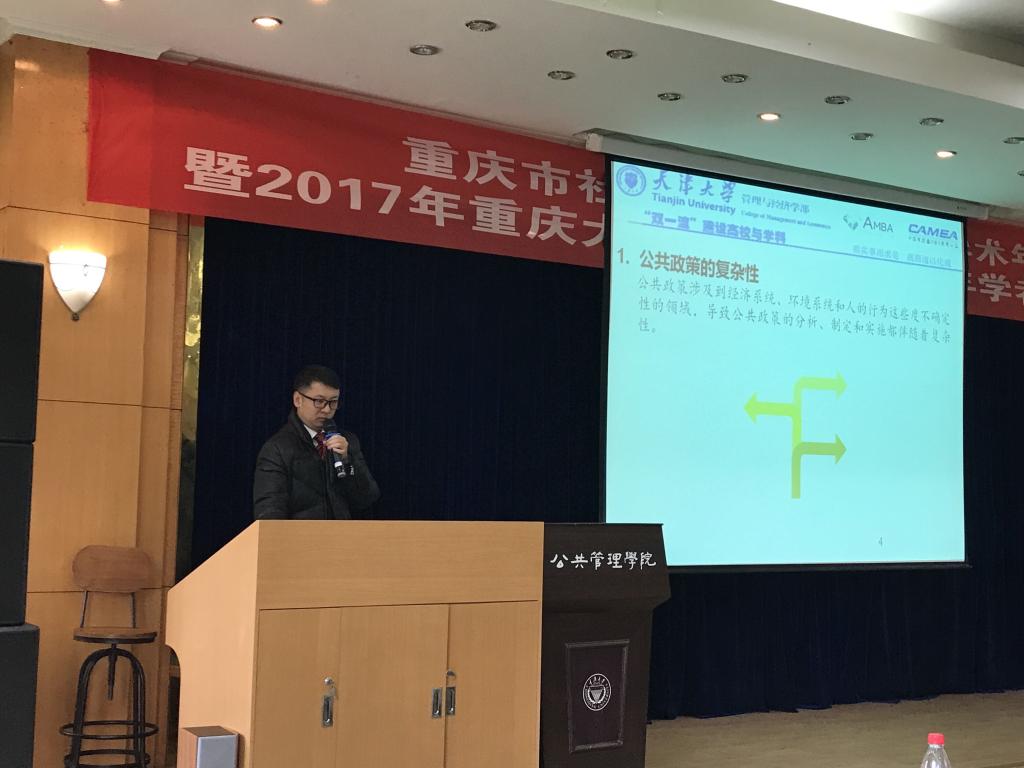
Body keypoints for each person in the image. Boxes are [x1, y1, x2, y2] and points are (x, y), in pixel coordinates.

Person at [253, 364, 380, 519]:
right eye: (319, 401)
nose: (327, 409)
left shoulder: (347, 442)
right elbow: (269, 512)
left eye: (333, 402)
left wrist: (348, 462)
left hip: (341, 533)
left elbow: (367, 498)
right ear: (298, 400)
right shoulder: (277, 449)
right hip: (300, 534)